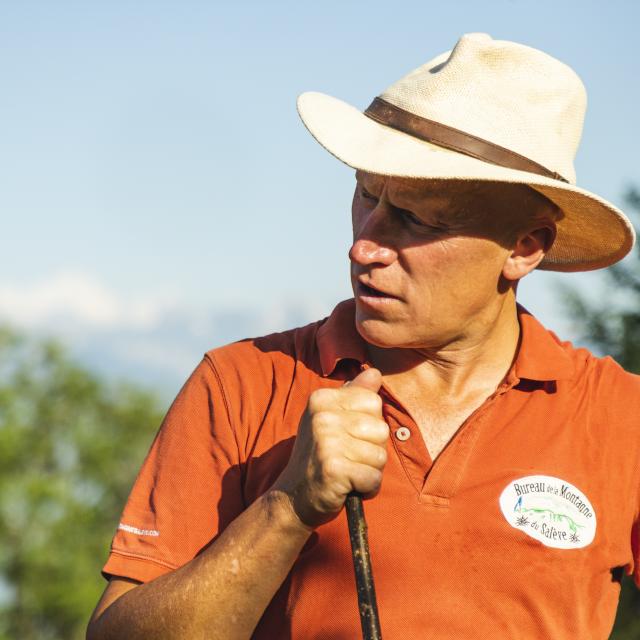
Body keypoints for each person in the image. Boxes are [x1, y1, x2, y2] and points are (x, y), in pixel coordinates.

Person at [86, 33, 640, 640]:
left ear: (524, 247)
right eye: (366, 194)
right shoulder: (241, 382)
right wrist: (288, 506)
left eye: (419, 217)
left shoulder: (620, 416)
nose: (364, 245)